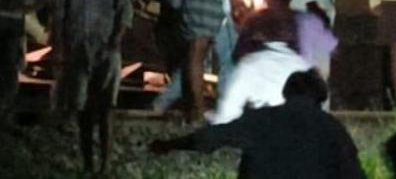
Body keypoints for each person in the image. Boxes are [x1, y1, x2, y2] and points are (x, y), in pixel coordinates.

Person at [150, 70, 365, 179]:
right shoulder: (333, 129)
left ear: (287, 93)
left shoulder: (263, 119)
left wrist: (168, 145)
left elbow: (212, 138)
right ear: (319, 98)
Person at [53, 0, 133, 175]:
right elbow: (59, 17)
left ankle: (105, 164)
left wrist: (115, 41)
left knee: (107, 108)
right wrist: (59, 50)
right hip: (78, 49)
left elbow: (125, 9)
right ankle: (89, 164)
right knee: (84, 109)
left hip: (106, 48)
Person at [213, 0, 310, 124]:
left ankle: (226, 116)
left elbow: (238, 56)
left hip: (259, 98)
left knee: (235, 67)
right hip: (294, 98)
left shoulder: (255, 19)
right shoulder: (302, 20)